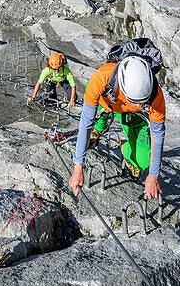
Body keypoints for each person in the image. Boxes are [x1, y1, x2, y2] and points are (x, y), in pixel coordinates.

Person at [69, 40, 165, 200]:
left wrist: (153, 175)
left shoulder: (155, 94)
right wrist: (78, 166)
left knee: (143, 160)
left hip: (133, 114)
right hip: (106, 102)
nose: (140, 104)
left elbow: (158, 133)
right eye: (135, 100)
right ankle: (102, 122)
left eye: (142, 101)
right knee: (96, 123)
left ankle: (125, 149)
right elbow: (86, 120)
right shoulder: (102, 77)